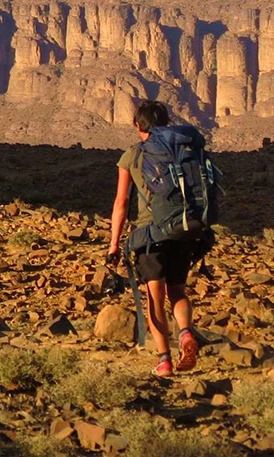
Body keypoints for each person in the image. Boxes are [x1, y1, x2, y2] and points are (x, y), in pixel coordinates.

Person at [106, 100, 202, 377]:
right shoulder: (183, 150)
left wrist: (114, 244)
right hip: (184, 230)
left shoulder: (132, 155)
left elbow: (121, 203)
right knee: (178, 291)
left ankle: (165, 361)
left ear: (138, 125)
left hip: (150, 234)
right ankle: (185, 334)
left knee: (155, 300)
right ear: (166, 122)